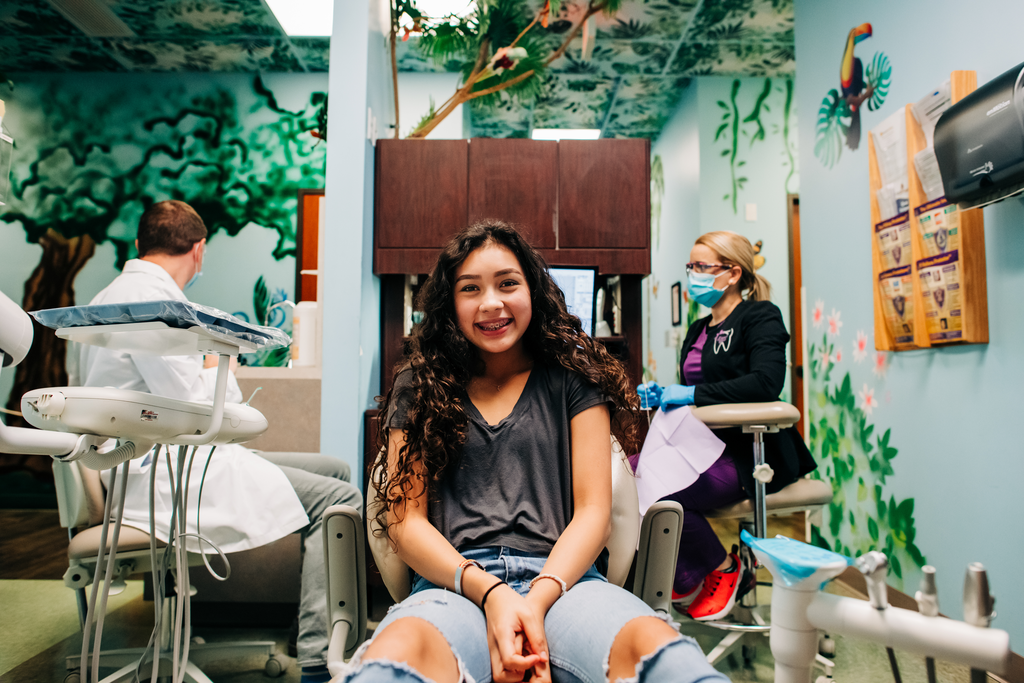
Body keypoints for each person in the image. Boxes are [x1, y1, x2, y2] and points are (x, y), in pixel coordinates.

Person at [342, 221, 728, 683]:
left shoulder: (573, 376)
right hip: (454, 588)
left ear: (534, 290)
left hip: (567, 585)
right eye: (470, 289)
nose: (491, 303)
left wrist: (537, 600)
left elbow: (593, 513)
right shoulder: (418, 384)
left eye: (508, 283)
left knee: (656, 649)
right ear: (450, 303)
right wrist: (492, 595)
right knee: (396, 656)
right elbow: (405, 522)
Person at [68, 200, 363, 683]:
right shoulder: (154, 306)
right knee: (342, 497)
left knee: (334, 469)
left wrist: (209, 369)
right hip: (166, 474)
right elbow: (195, 411)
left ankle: (314, 621)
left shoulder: (111, 295)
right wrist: (214, 364)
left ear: (141, 243)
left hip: (140, 466)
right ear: (199, 249)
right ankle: (316, 660)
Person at [637, 231, 817, 622]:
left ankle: (722, 569)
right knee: (624, 476)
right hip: (696, 444)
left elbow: (766, 382)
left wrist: (691, 393)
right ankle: (686, 575)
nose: (693, 274)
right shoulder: (698, 329)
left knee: (663, 493)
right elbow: (697, 387)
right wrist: (663, 393)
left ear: (732, 273)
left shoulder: (760, 317)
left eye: (702, 267)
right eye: (691, 267)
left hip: (746, 454)